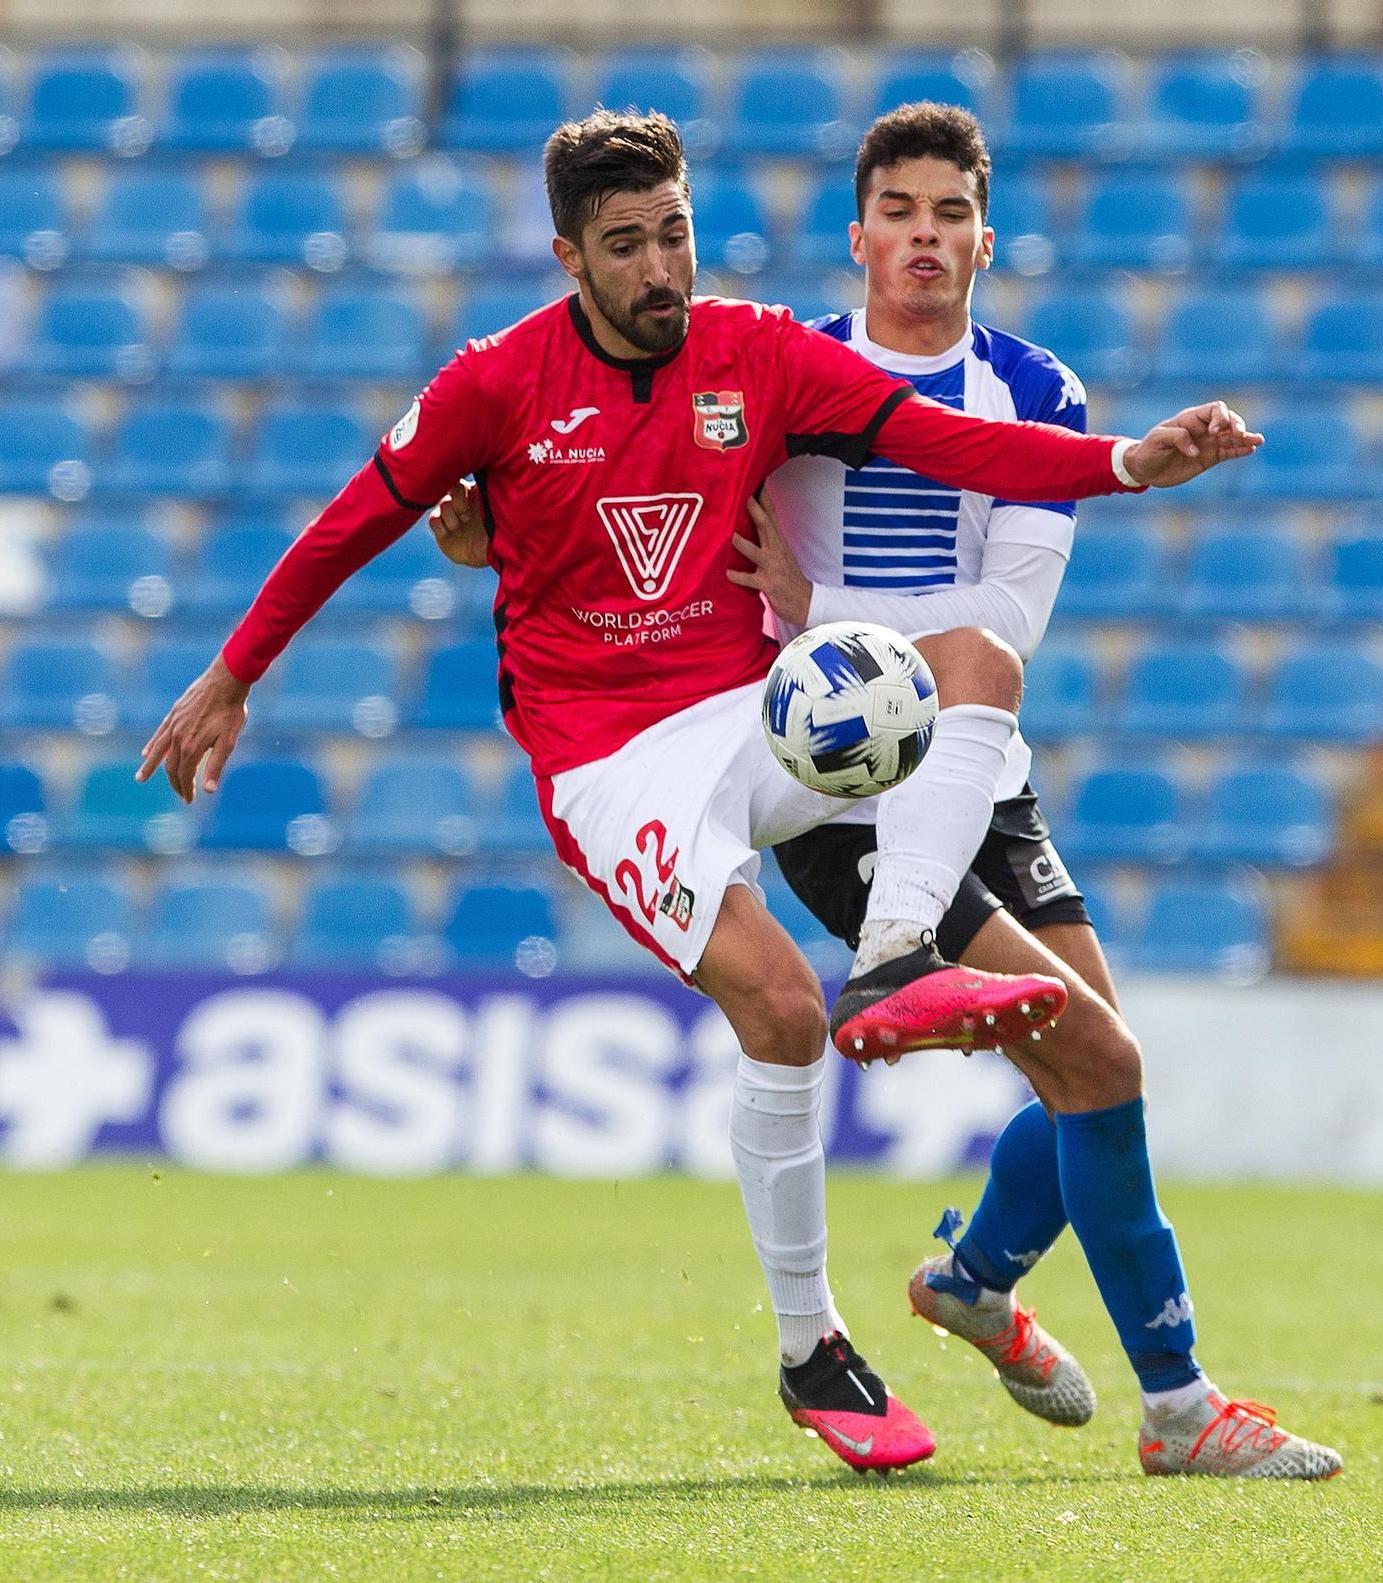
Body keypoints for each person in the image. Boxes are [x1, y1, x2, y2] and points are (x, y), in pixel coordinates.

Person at [141, 107, 1257, 1475]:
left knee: (957, 664)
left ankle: (901, 952)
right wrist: (233, 673)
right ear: (571, 257)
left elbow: (945, 445)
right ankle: (812, 1350)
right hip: (607, 759)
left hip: (749, 711)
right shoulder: (497, 384)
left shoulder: (755, 348)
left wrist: (1124, 465)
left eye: (675, 233)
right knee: (780, 1012)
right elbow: (349, 525)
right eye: (629, 248)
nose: (664, 269)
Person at [432, 102, 1341, 1481]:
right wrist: (491, 524)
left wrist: (825, 608)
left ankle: (972, 1284)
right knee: (1100, 1060)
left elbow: (1007, 622)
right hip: (849, 784)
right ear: (858, 236)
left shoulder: (1036, 389)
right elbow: (618, 488)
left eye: (951, 216)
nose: (926, 239)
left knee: (1098, 1071)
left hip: (980, 762)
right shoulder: (781, 370)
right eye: (900, 215)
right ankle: (1180, 1406)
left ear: (988, 237)